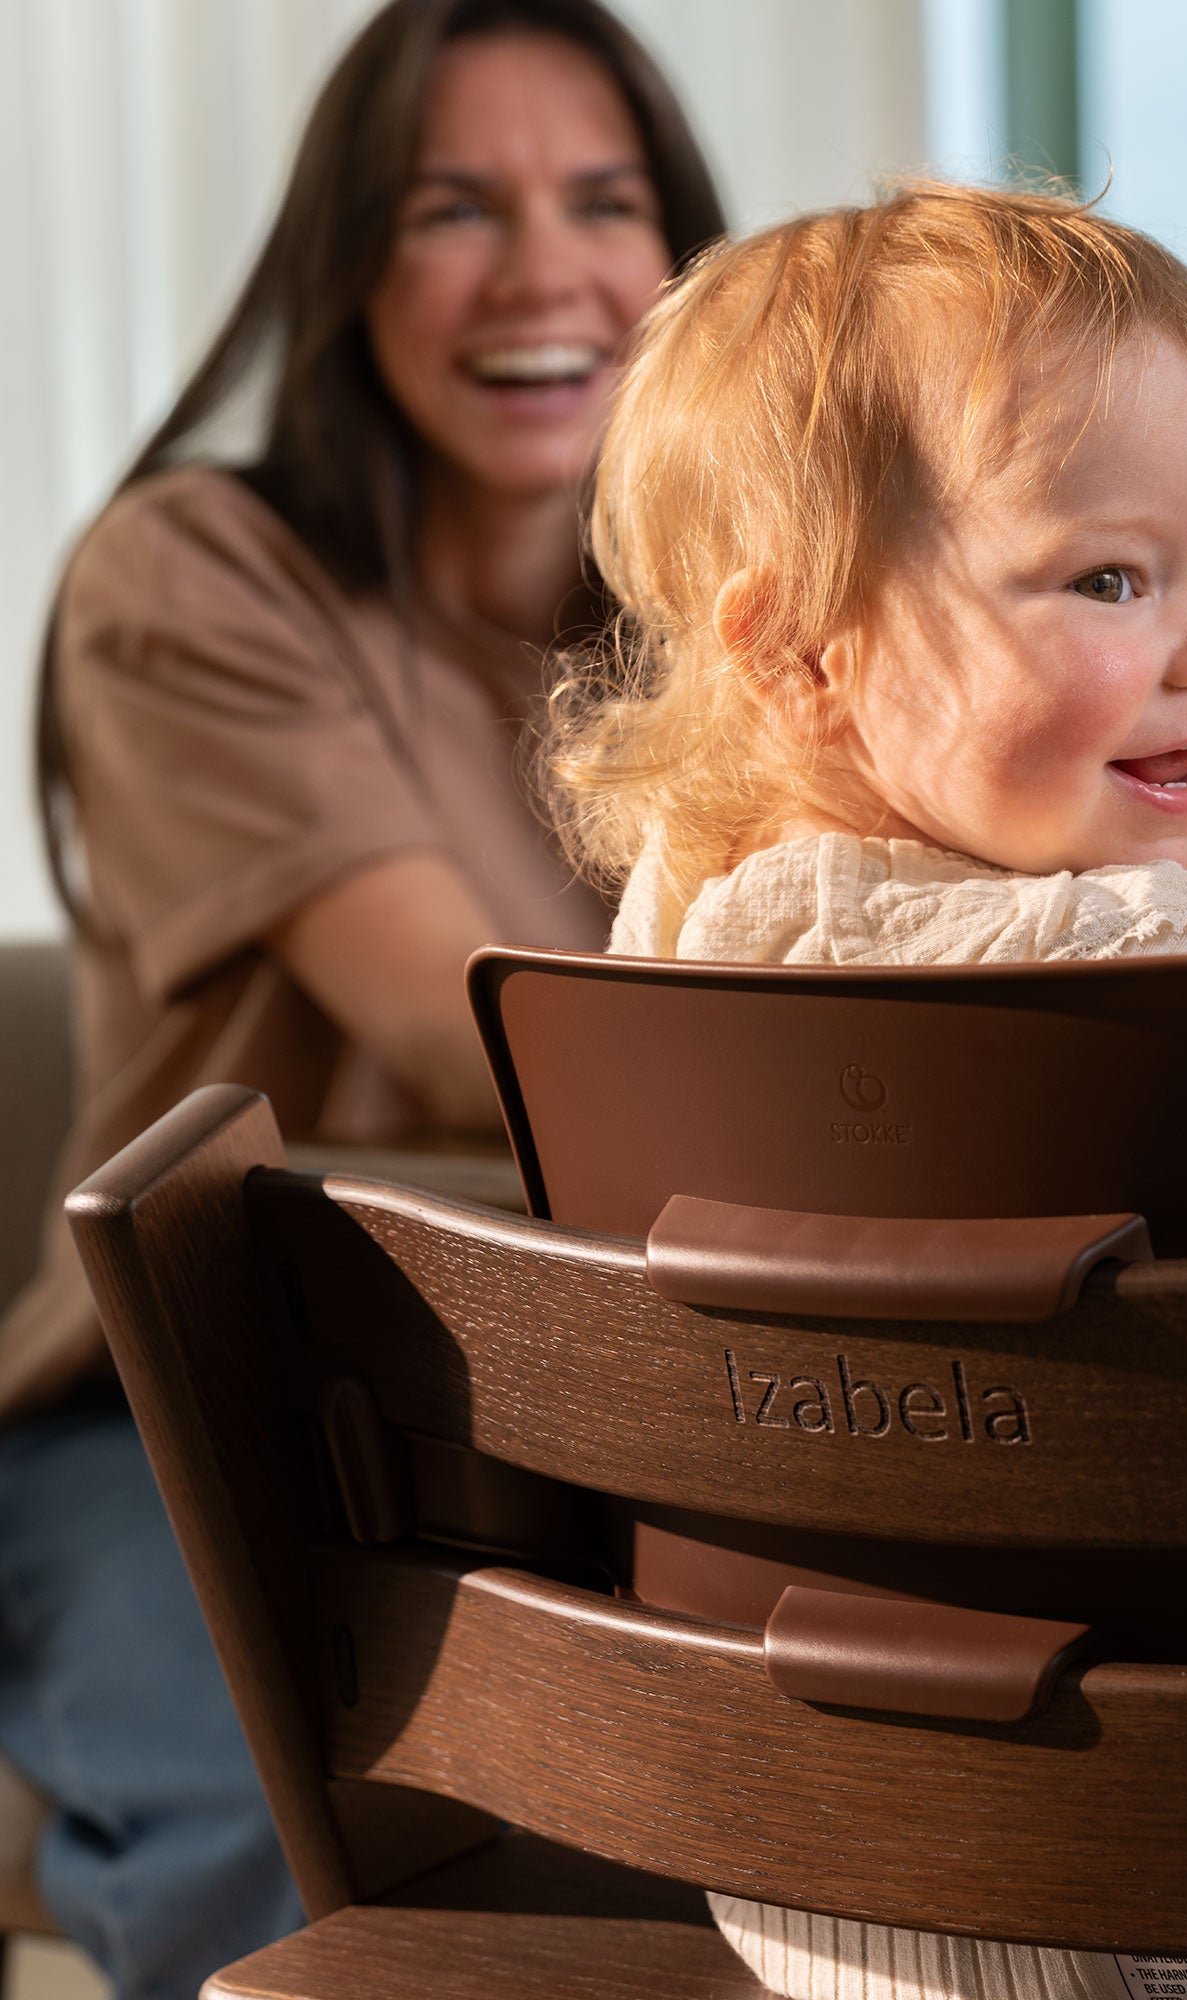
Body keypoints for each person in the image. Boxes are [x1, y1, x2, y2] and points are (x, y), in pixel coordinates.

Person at [550, 181, 1187, 2000]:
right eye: (1111, 579)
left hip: (806, 1861)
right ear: (803, 654)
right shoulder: (1147, 980)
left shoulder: (670, 950)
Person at [1, 3, 723, 1993]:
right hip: (183, 1419)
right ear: (346, 263)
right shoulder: (195, 575)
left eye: (603, 202)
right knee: (297, 1857)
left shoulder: (725, 632)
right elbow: (455, 1030)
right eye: (451, 209)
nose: (544, 272)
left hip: (603, 1415)